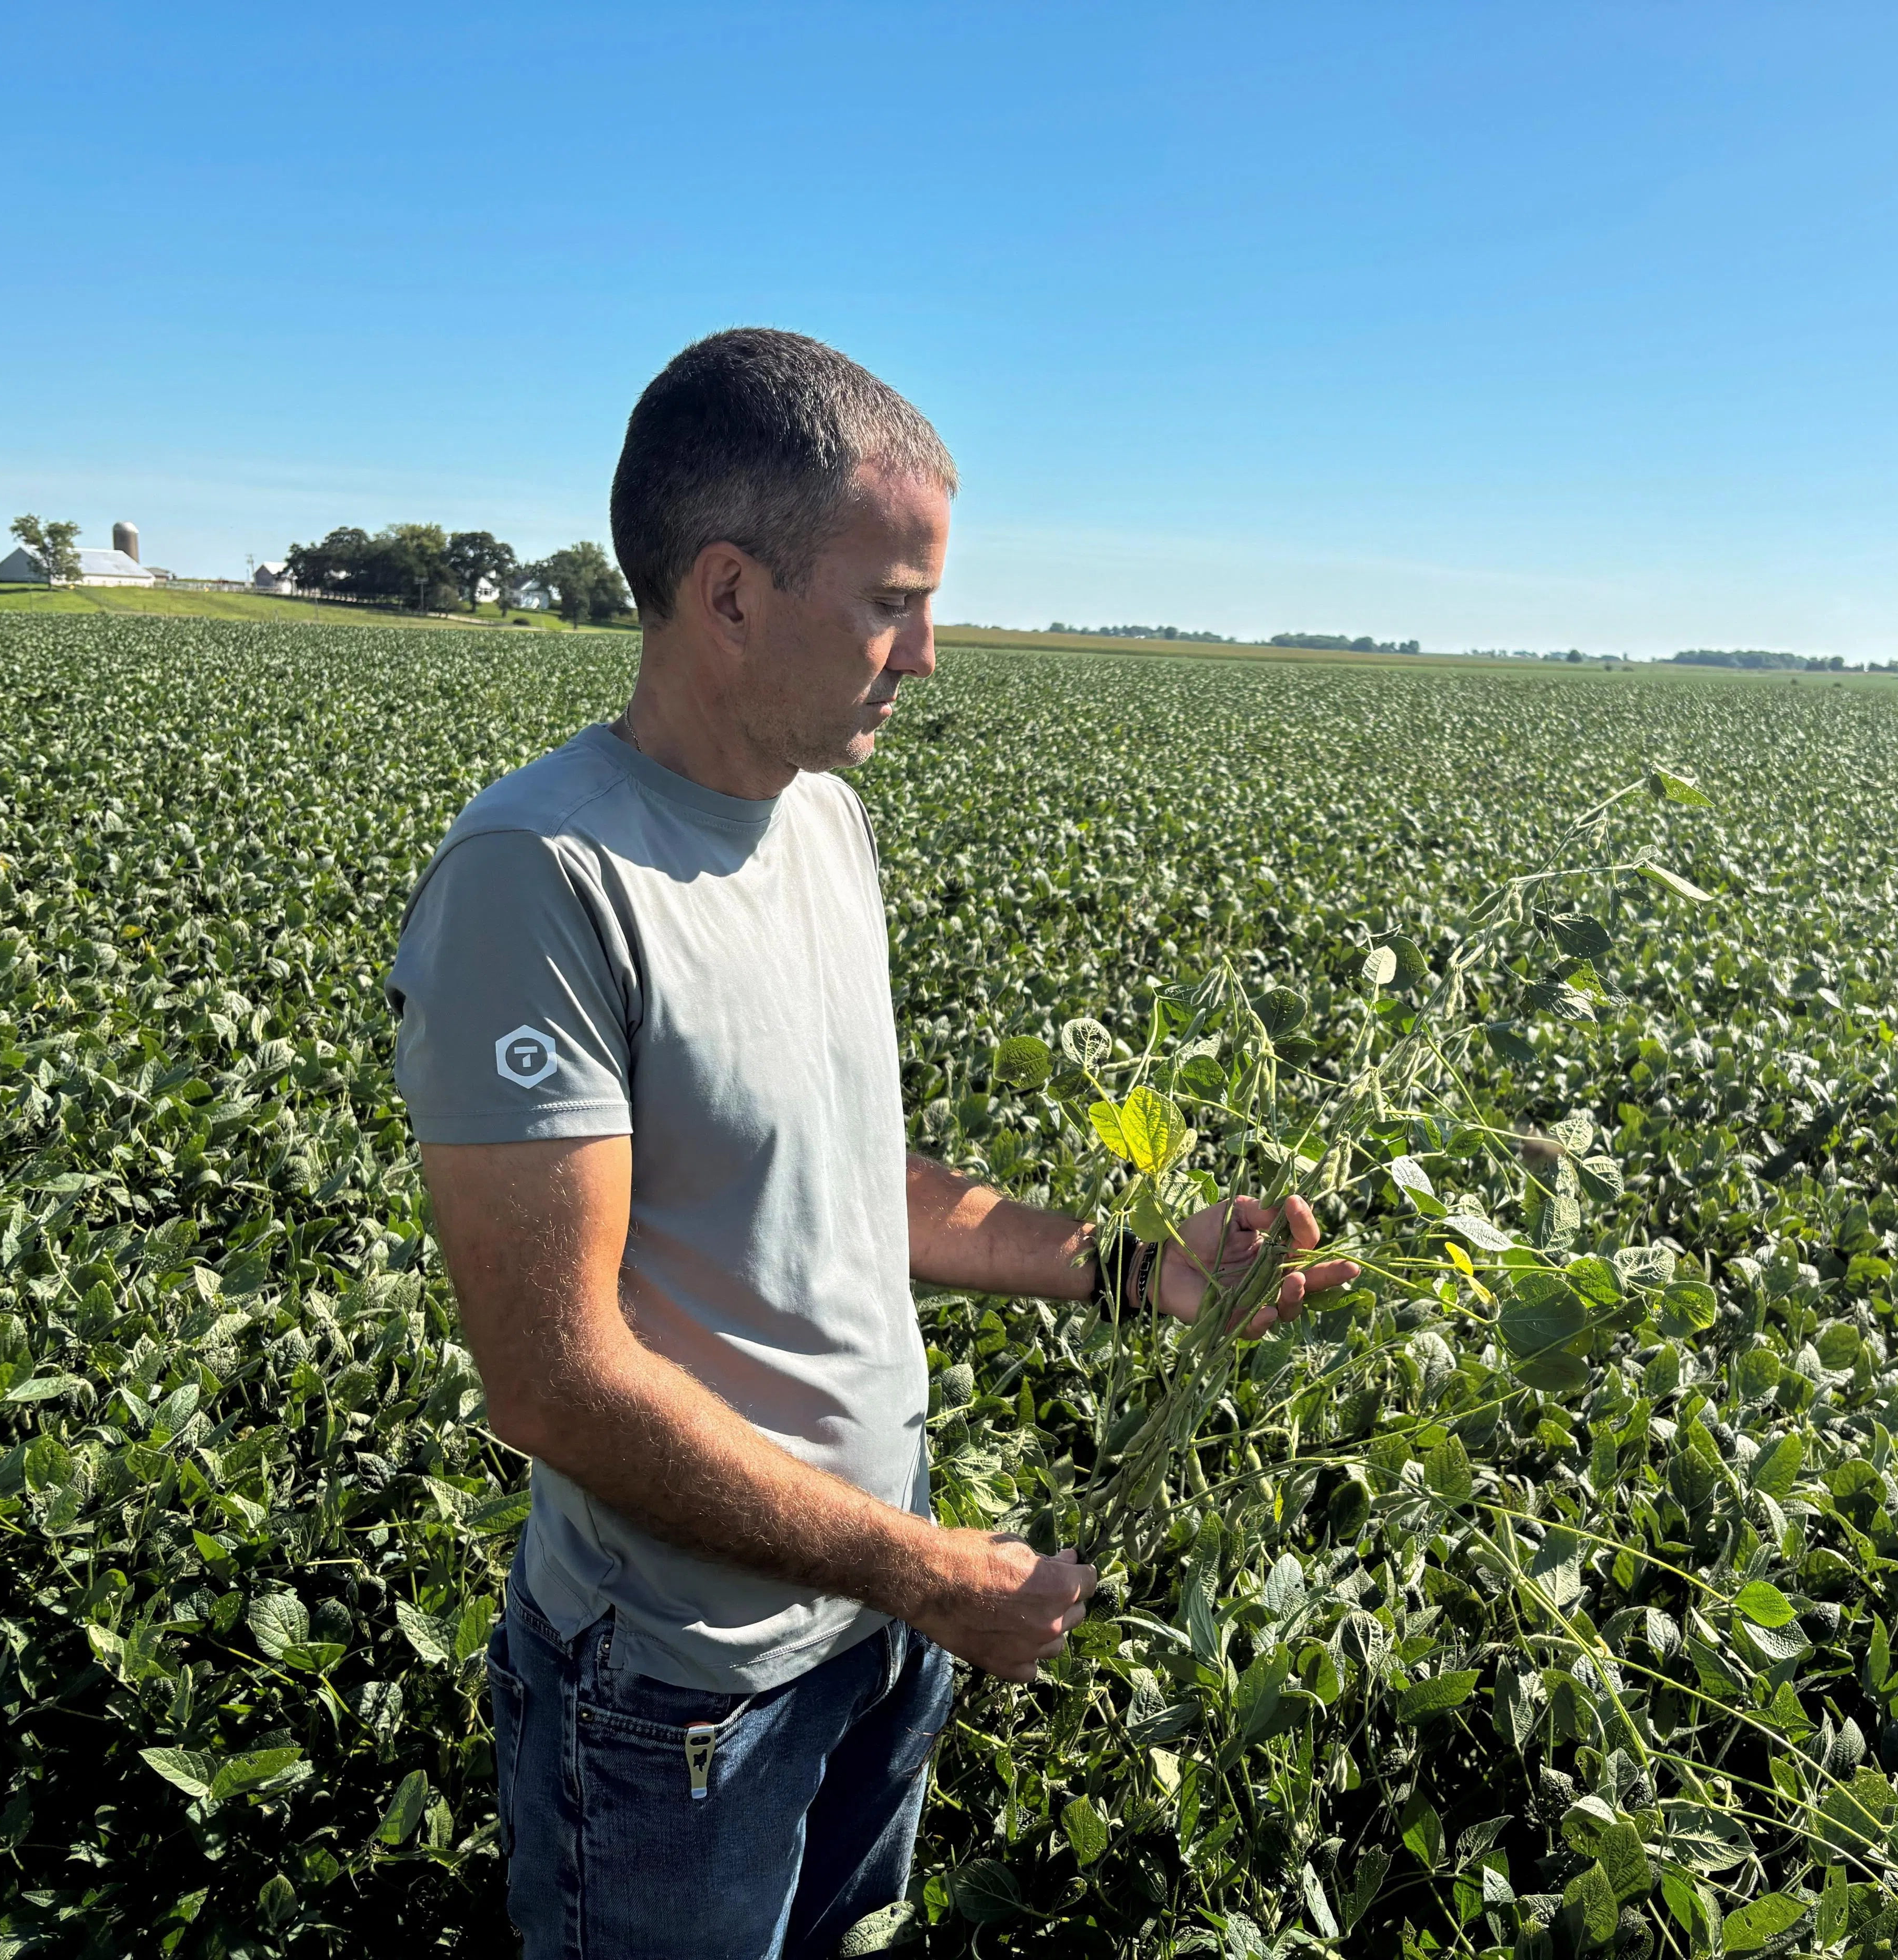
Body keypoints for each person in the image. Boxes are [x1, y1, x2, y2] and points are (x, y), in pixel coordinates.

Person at [386, 328, 1357, 1959]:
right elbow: (553, 1376)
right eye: (892, 600)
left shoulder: (821, 818)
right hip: (683, 1695)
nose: (927, 656)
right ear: (730, 593)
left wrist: (1139, 1266)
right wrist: (921, 1570)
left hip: (878, 1623)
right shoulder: (541, 874)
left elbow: (847, 1186)